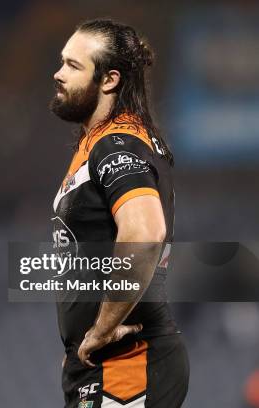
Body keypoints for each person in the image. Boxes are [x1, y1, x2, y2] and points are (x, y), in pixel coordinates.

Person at [49, 19, 188, 407]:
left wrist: (102, 329)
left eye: (73, 66)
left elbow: (144, 233)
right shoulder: (99, 143)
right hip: (102, 367)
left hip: (127, 363)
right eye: (62, 62)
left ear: (109, 80)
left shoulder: (116, 143)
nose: (58, 74)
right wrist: (80, 338)